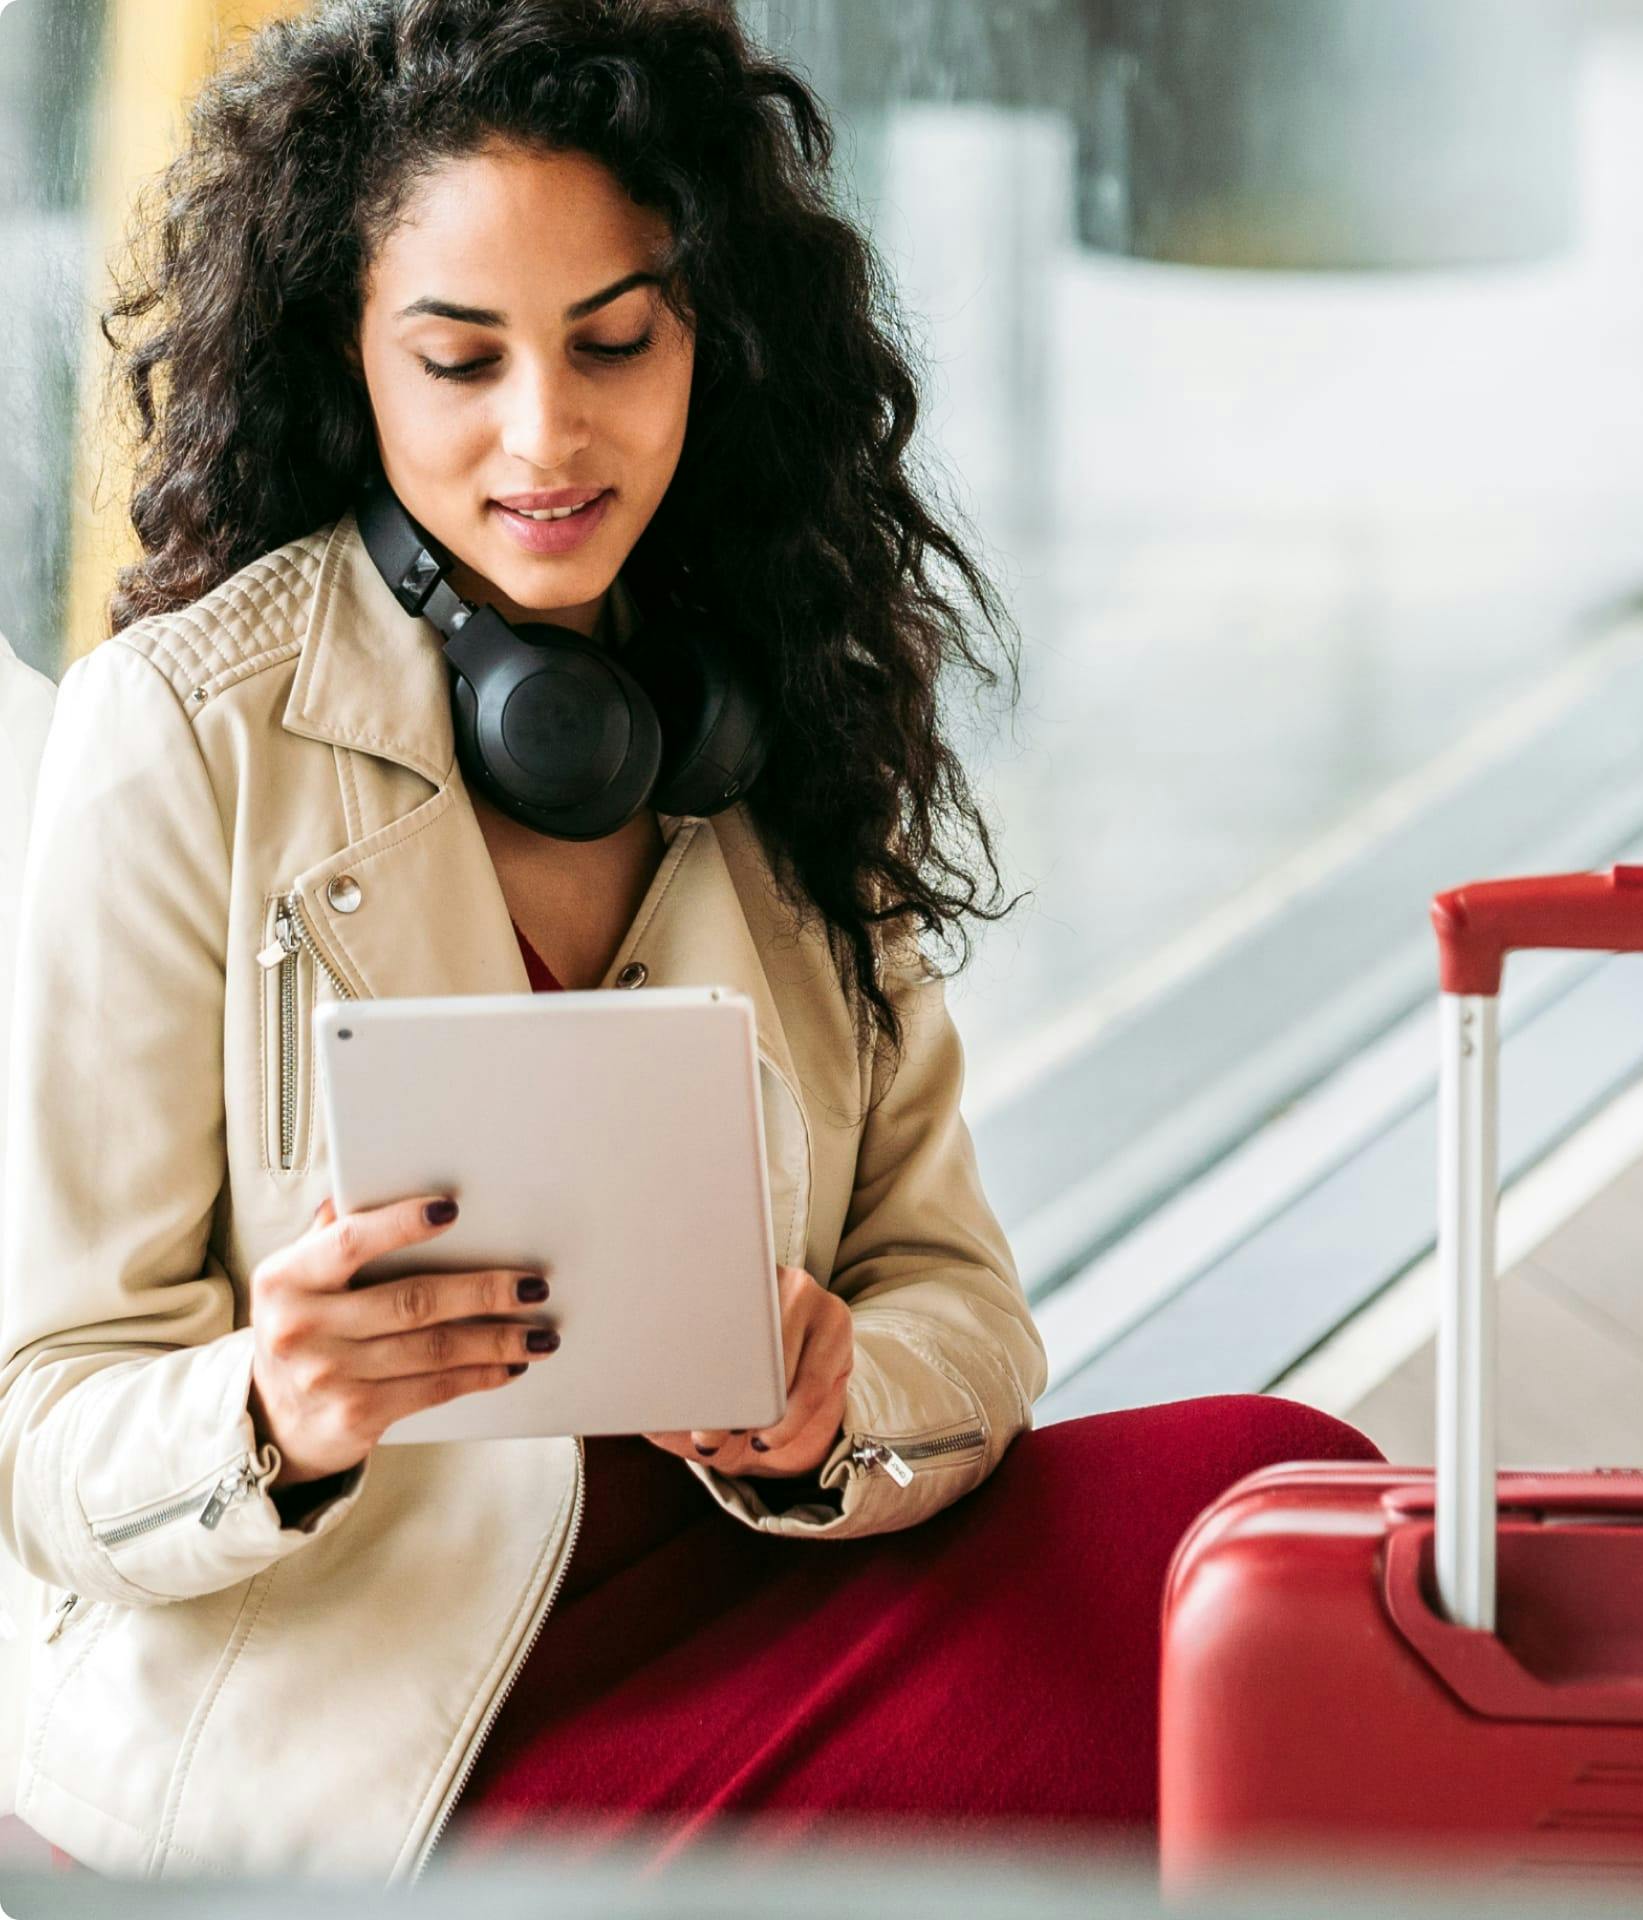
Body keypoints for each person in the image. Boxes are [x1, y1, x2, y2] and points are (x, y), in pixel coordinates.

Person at [0, 0, 1384, 1887]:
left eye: (614, 342)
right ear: (356, 361)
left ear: (704, 339)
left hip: (772, 1591)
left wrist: (835, 1405)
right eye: (460, 360)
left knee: (1280, 1500)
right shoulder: (181, 730)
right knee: (1239, 1703)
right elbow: (47, 1413)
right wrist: (272, 1409)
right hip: (414, 1731)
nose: (546, 434)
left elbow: (959, 1304)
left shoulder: (774, 705)